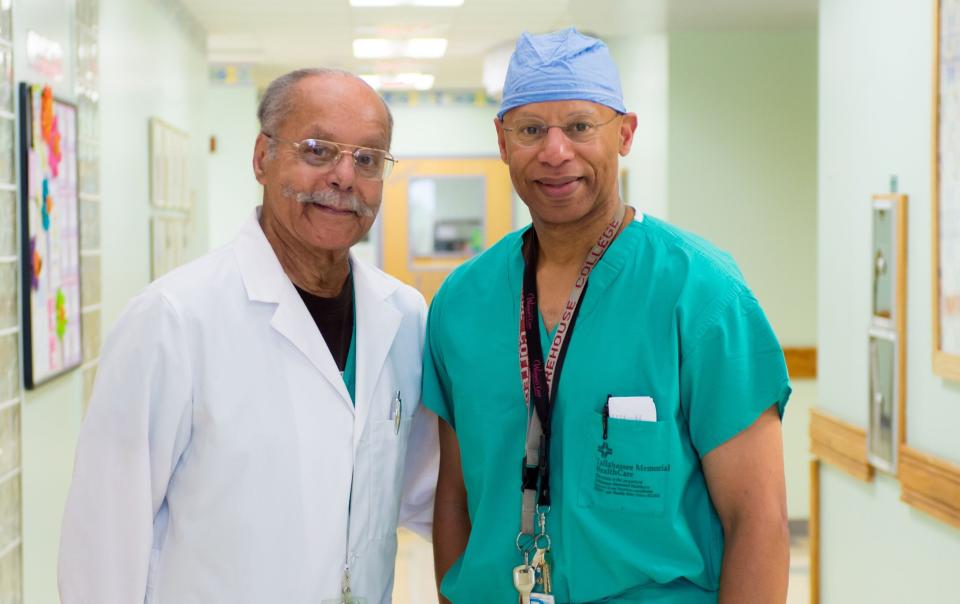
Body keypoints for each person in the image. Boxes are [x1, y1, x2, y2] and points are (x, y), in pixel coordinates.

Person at [424, 29, 791, 604]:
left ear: (625, 133)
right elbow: (455, 497)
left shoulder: (701, 294)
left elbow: (758, 519)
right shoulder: (462, 303)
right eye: (529, 130)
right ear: (502, 141)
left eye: (579, 126)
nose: (554, 152)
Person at [58, 68, 439, 604]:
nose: (344, 177)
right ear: (262, 157)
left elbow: (424, 495)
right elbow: (104, 543)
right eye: (317, 150)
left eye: (368, 159)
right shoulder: (172, 320)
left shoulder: (403, 316)